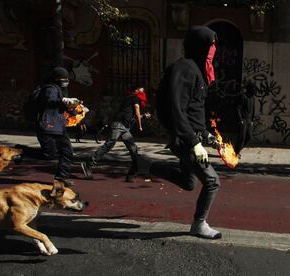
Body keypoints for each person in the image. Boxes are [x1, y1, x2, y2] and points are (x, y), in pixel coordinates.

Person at [152, 25, 222, 239]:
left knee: (188, 182)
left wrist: (207, 136)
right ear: (199, 46)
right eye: (210, 45)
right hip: (185, 139)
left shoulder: (196, 70)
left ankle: (146, 165)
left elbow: (193, 110)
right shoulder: (185, 68)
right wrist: (194, 142)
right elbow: (176, 108)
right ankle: (199, 225)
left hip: (192, 136)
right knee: (212, 181)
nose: (213, 50)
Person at [81, 85, 148, 182]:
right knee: (109, 145)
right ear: (137, 90)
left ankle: (131, 173)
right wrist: (140, 126)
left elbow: (129, 114)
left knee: (133, 148)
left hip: (123, 127)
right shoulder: (135, 98)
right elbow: (136, 112)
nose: (143, 90)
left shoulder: (129, 98)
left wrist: (142, 116)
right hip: (118, 125)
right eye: (142, 89)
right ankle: (88, 164)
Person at [35, 67, 80, 186]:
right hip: (47, 126)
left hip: (59, 127)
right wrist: (63, 101)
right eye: (62, 79)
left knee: (67, 152)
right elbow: (50, 102)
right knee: (49, 154)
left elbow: (65, 107)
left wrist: (74, 109)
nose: (65, 81)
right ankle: (21, 151)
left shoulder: (61, 90)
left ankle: (61, 178)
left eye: (66, 78)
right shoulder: (50, 89)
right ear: (56, 79)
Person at [234, 79, 256, 156]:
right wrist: (240, 119)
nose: (254, 90)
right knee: (242, 137)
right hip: (243, 119)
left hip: (249, 120)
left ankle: (238, 149)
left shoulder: (252, 98)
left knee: (249, 136)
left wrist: (252, 120)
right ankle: (236, 152)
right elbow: (238, 108)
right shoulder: (243, 96)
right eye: (252, 88)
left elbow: (253, 109)